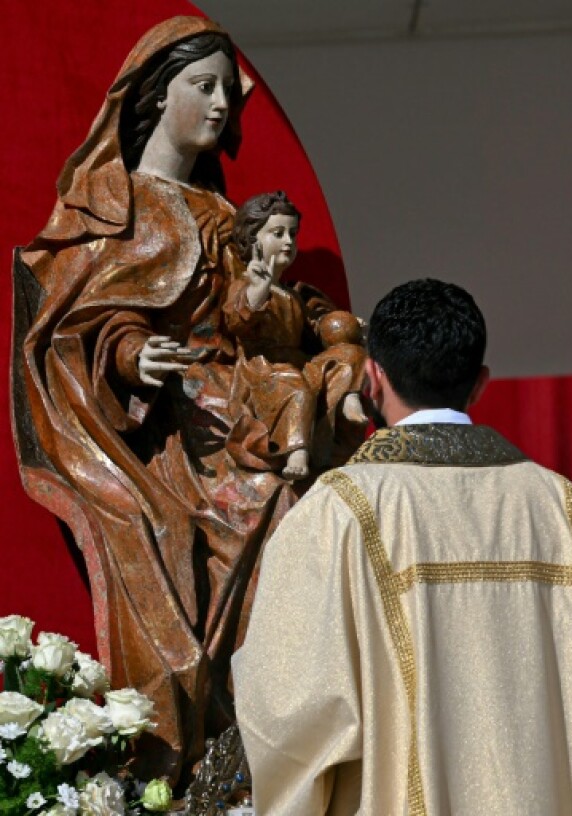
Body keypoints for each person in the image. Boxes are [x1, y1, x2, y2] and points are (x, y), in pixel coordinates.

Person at [12, 16, 351, 782]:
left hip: (239, 421)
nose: (222, 105)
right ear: (156, 96)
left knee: (281, 519)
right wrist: (133, 354)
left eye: (228, 91)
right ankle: (170, 759)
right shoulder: (113, 206)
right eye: (204, 87)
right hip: (159, 442)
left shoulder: (230, 218)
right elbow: (75, 325)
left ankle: (239, 758)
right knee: (164, 547)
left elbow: (268, 316)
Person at [233, 279, 572, 815]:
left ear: (372, 376)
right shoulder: (563, 508)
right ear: (479, 384)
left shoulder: (337, 512)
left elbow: (292, 725)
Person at [228, 190, 367, 480]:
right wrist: (259, 288)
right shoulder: (246, 285)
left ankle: (348, 399)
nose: (288, 242)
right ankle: (297, 451)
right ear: (253, 240)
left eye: (292, 233)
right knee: (297, 387)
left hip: (298, 362)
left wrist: (342, 326)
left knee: (350, 353)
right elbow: (237, 320)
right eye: (277, 233)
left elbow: (311, 332)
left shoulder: (291, 294)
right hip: (265, 370)